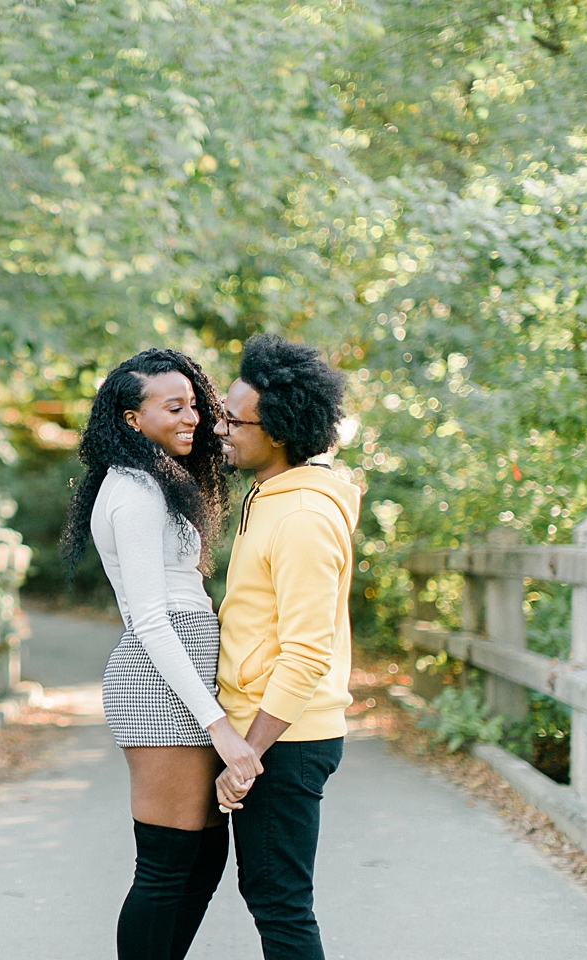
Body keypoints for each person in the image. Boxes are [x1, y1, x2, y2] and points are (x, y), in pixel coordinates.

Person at [59, 348, 263, 960]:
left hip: (183, 675)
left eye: (195, 405)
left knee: (202, 855)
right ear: (130, 419)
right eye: (173, 407)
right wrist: (221, 728)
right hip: (159, 683)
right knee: (168, 866)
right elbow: (150, 619)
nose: (192, 417)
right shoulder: (134, 493)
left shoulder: (155, 483)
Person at [211, 333, 359, 960]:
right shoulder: (270, 499)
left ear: (275, 432)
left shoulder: (300, 518)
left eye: (231, 420)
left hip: (285, 738)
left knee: (281, 905)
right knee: (274, 898)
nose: (220, 429)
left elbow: (306, 653)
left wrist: (248, 752)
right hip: (273, 730)